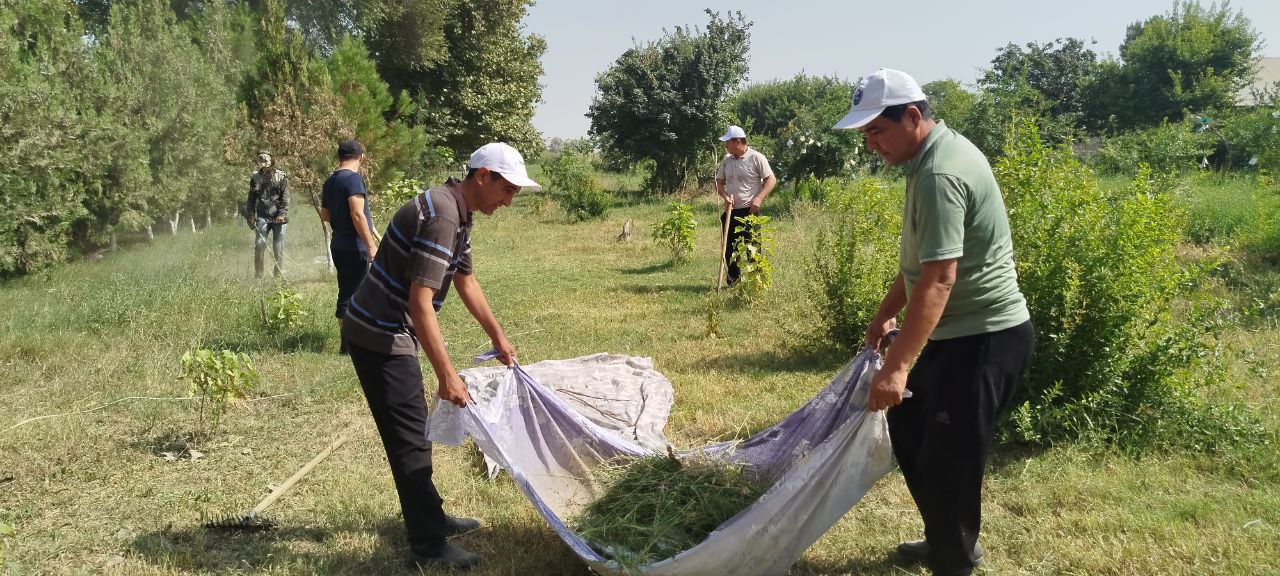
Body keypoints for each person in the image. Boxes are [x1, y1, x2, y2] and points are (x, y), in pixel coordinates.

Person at [833, 68, 1035, 576]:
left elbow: (940, 280)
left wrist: (896, 369)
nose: (870, 144)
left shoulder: (940, 173)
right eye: (865, 135)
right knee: (909, 427)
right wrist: (884, 315)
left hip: (985, 336)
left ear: (913, 116)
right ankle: (943, 537)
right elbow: (924, 264)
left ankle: (955, 560)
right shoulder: (926, 160)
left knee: (950, 460)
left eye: (876, 131)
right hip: (954, 332)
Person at [342, 142, 539, 570]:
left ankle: (432, 516)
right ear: (483, 176)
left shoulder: (456, 210)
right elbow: (420, 302)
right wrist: (447, 375)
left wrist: (499, 338)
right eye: (507, 190)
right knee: (410, 442)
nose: (508, 201)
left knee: (416, 435)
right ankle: (428, 545)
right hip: (380, 335)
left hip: (388, 329)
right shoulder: (444, 215)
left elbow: (466, 281)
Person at [320, 139, 379, 355]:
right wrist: (370, 245)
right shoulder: (353, 179)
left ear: (339, 157)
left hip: (339, 245)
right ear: (361, 157)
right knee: (354, 295)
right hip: (356, 247)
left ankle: (351, 344)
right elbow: (357, 214)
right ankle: (349, 347)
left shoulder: (330, 181)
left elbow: (325, 215)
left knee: (348, 291)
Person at [714, 125, 775, 285]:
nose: (725, 145)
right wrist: (725, 196)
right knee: (729, 249)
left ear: (737, 142)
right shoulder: (727, 160)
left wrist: (759, 198)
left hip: (749, 211)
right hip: (731, 212)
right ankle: (734, 280)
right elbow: (719, 182)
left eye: (727, 142)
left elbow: (771, 180)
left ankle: (756, 282)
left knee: (752, 249)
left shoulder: (756, 157)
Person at [245, 151, 289, 278]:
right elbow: (251, 199)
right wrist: (250, 214)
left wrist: (281, 214)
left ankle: (278, 275)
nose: (264, 166)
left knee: (278, 247)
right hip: (263, 216)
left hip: (279, 217)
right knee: (259, 244)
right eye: (262, 163)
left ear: (272, 163)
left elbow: (285, 198)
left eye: (266, 163)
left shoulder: (281, 177)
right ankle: (259, 275)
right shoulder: (255, 178)